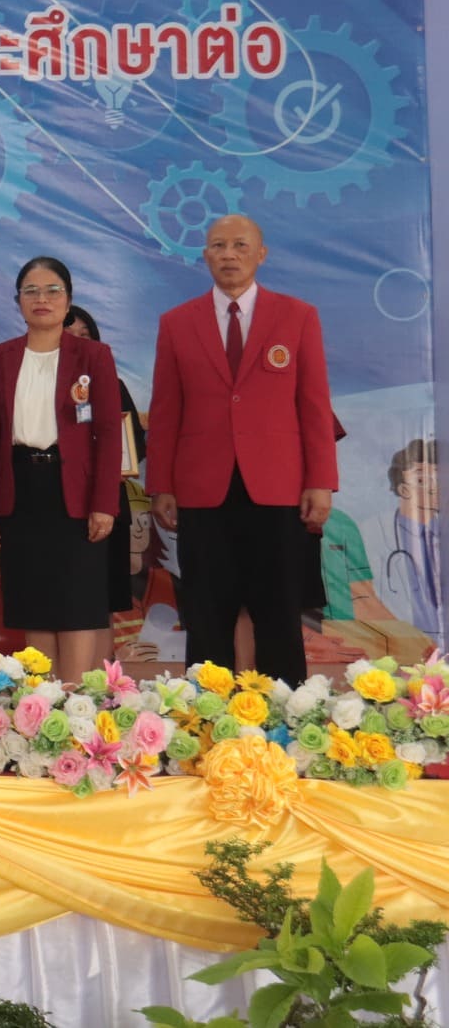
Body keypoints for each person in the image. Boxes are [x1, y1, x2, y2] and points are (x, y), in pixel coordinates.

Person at [147, 214, 336, 683]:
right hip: (202, 489)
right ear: (205, 255)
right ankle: (206, 716)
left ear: (261, 254)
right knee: (206, 614)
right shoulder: (176, 323)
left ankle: (287, 714)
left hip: (277, 488)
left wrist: (320, 481)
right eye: (218, 246)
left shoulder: (298, 316)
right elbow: (166, 410)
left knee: (279, 613)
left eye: (239, 245)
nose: (228, 254)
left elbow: (314, 405)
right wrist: (161, 484)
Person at [0, 258, 124, 682]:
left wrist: (104, 504)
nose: (42, 299)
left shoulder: (93, 356)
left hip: (75, 490)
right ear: (18, 301)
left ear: (68, 300)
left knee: (76, 603)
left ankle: (75, 700)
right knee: (33, 602)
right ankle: (45, 702)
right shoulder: (0, 359)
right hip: (20, 488)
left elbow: (109, 434)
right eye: (31, 291)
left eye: (52, 290)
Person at [64, 304, 143, 632]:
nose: (78, 342)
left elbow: (136, 443)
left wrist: (111, 462)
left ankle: (103, 665)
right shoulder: (35, 386)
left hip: (108, 504)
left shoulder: (113, 384)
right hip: (58, 505)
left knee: (104, 600)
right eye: (70, 334)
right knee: (65, 599)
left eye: (85, 335)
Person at [377, 439, 441, 640]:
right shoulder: (375, 533)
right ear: (402, 488)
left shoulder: (442, 531)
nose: (434, 488)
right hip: (400, 640)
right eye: (421, 480)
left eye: (439, 478)